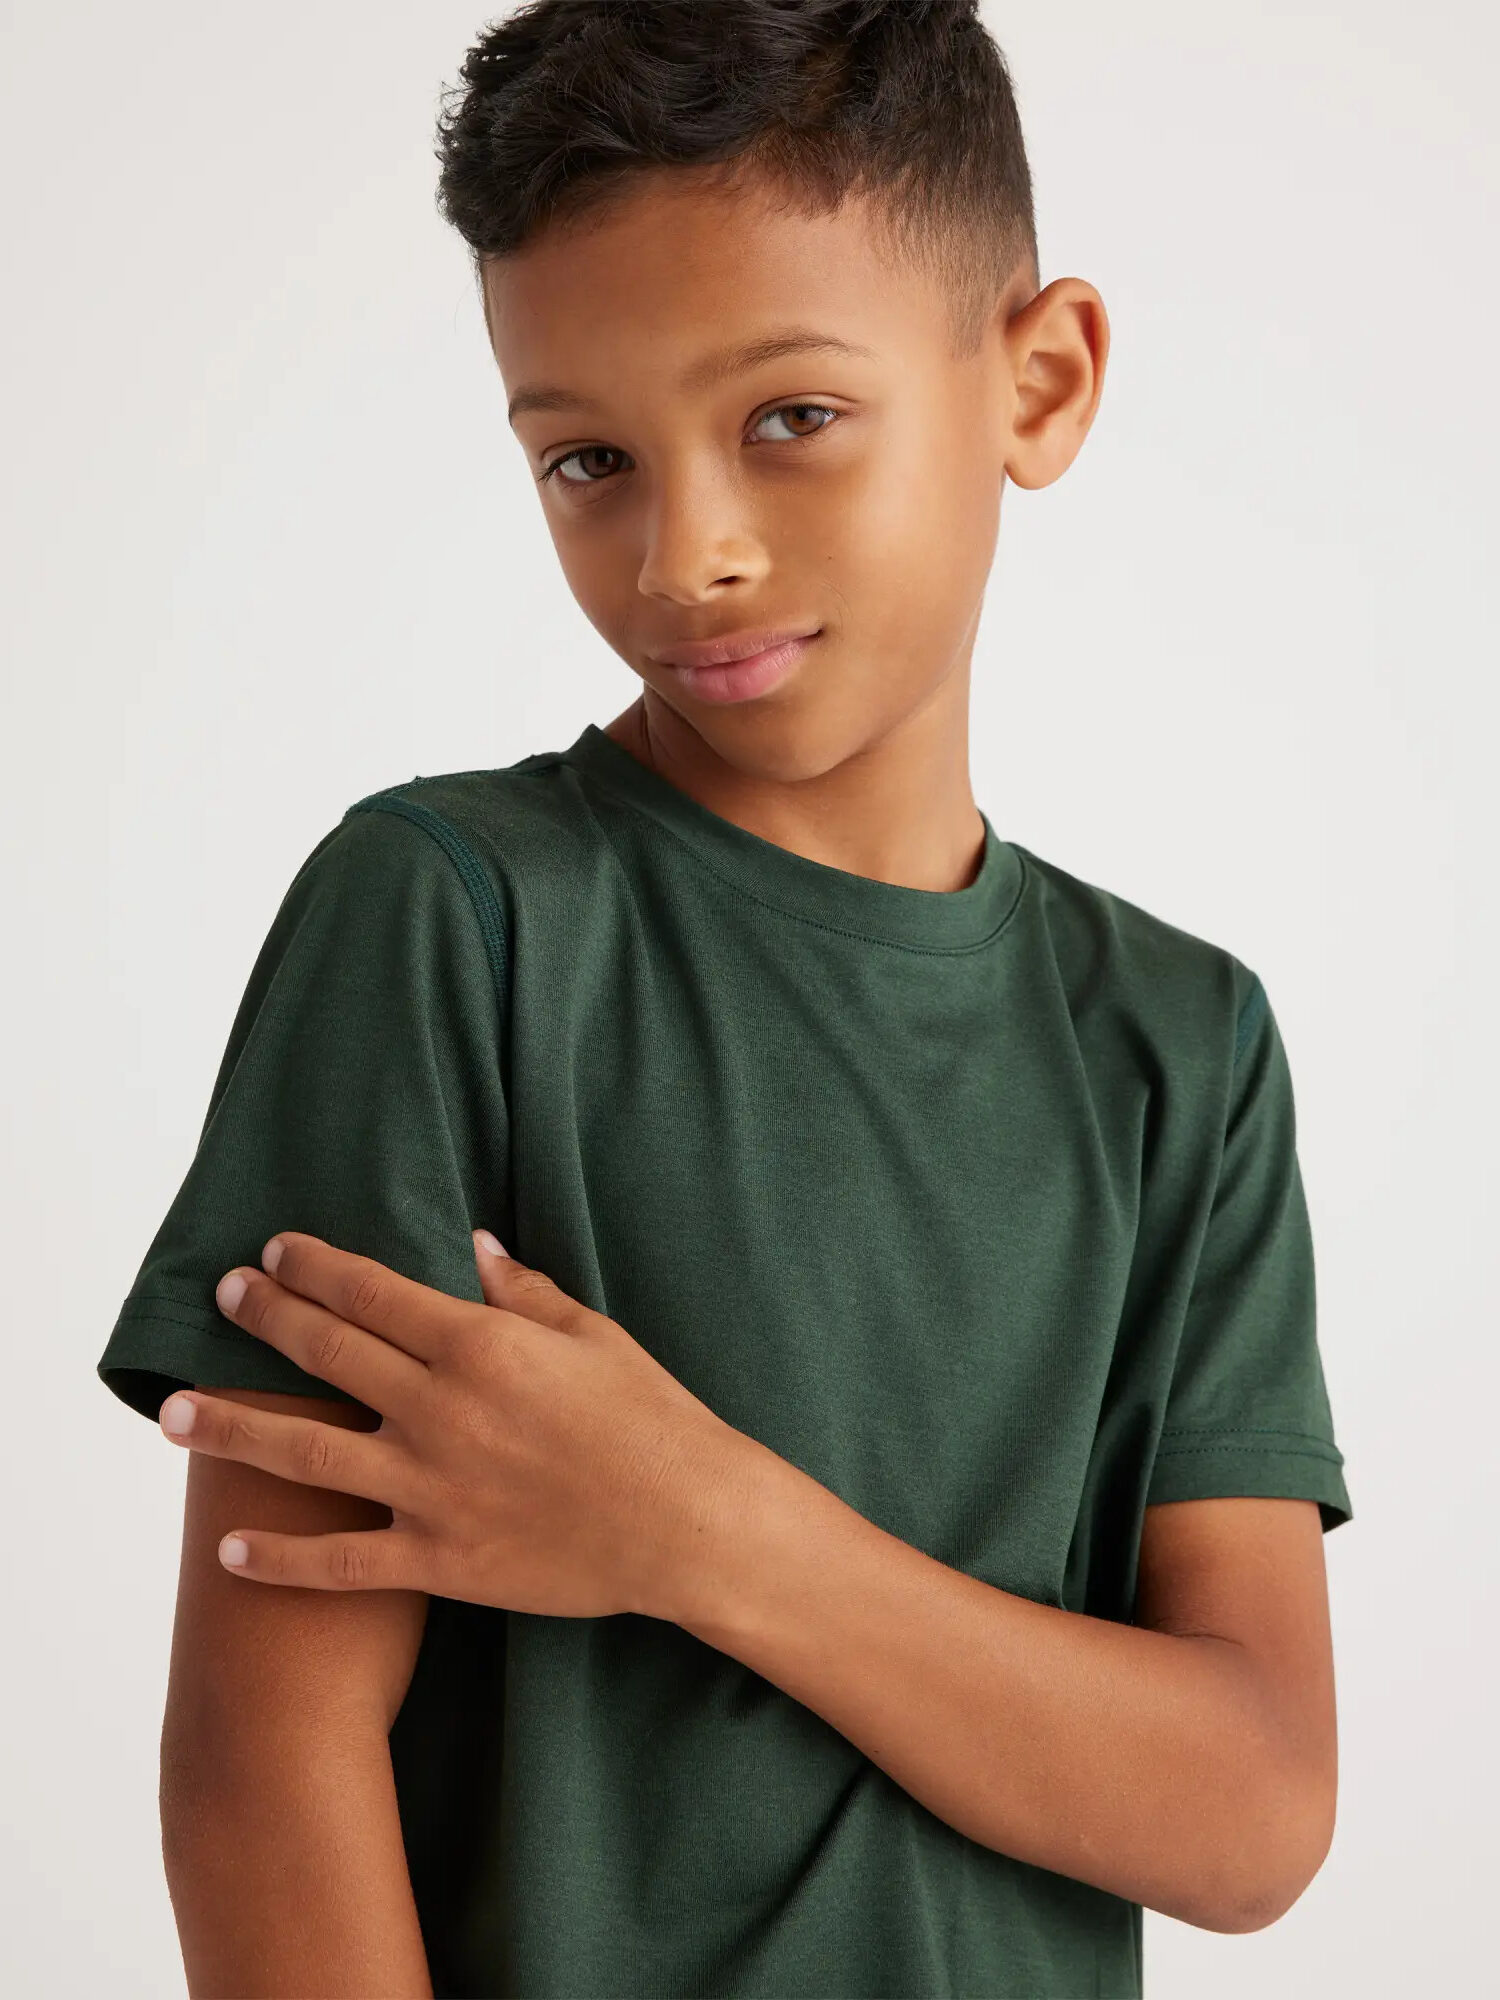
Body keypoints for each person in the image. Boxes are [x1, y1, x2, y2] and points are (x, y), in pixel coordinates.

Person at [97, 3, 1352, 1995]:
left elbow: (1254, 1806)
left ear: (1039, 382)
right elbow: (264, 1757)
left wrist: (700, 1530)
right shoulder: (449, 924)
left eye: (787, 416)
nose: (687, 554)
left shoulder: (1182, 1050)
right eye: (587, 456)